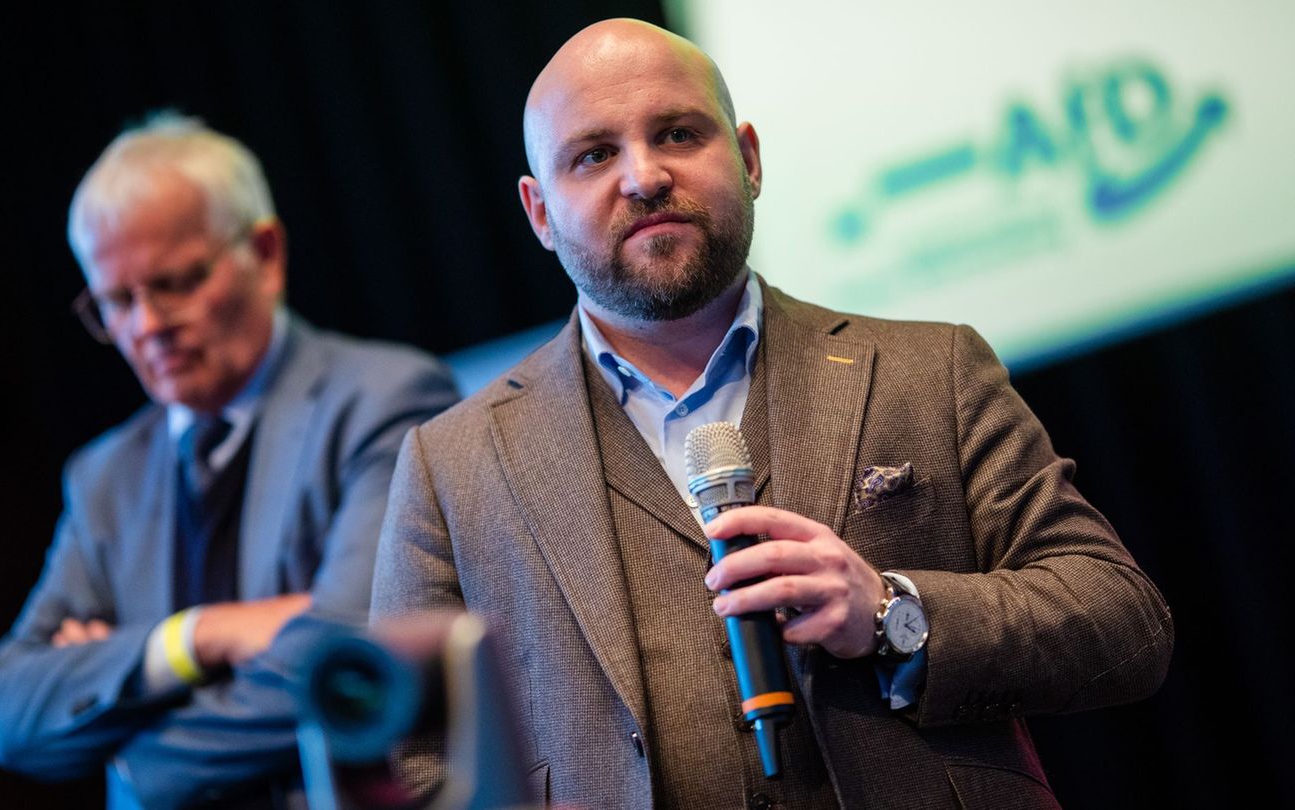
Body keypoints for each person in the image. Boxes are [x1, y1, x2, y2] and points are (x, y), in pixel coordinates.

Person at [371, 19, 1172, 809]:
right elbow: (401, 756)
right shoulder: (454, 466)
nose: (644, 177)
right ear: (540, 212)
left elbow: (1121, 621)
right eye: (594, 155)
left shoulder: (930, 370)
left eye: (679, 134)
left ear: (748, 157)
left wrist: (895, 614)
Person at [0, 114, 459, 809]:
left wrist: (136, 765)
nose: (146, 326)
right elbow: (5, 710)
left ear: (265, 255)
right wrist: (194, 639)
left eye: (176, 282)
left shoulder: (386, 401)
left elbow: (349, 655)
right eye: (116, 300)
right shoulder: (102, 477)